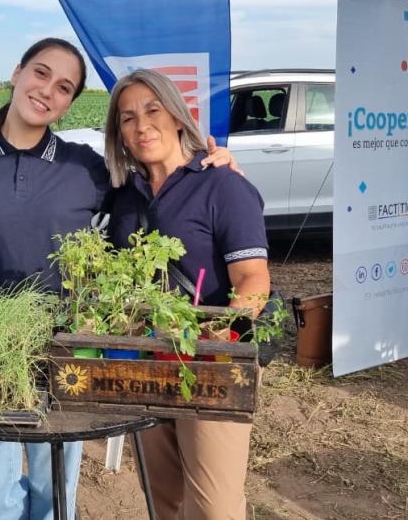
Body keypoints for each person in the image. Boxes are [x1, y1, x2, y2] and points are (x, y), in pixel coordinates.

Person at [0, 39, 238, 520]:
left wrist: (214, 168)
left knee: (55, 491)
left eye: (63, 87)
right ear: (17, 72)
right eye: (41, 74)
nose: (47, 91)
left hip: (65, 347)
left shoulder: (85, 169)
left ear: (69, 102)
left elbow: (159, 186)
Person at [104, 68, 270, 520]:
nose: (141, 126)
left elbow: (254, 279)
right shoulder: (123, 195)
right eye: (127, 117)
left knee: (214, 507)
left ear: (178, 116)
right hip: (143, 361)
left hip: (209, 365)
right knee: (163, 498)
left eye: (153, 110)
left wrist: (216, 340)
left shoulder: (222, 185)